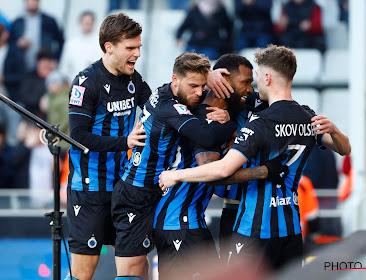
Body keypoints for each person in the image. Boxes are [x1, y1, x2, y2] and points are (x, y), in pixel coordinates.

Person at [159, 44, 351, 270]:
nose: (251, 87)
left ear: (267, 78)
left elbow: (220, 171)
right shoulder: (214, 110)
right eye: (246, 82)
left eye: (255, 79)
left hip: (250, 221)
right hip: (274, 220)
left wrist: (176, 175)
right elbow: (344, 149)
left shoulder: (261, 118)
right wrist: (207, 77)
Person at [111, 52, 238, 279]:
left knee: (143, 269)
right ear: (175, 80)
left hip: (154, 192)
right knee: (131, 271)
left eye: (202, 86)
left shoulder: (166, 90)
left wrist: (208, 76)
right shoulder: (169, 107)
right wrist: (232, 123)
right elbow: (205, 136)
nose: (199, 92)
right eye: (193, 86)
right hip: (135, 194)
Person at [153, 53, 270, 278]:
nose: (249, 89)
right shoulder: (206, 120)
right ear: (225, 83)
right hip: (178, 221)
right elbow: (214, 175)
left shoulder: (221, 115)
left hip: (191, 220)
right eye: (245, 82)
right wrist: (263, 172)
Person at [65, 13, 151, 280]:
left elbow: (159, 104)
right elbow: (78, 136)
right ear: (109, 46)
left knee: (137, 267)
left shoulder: (133, 79)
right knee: (82, 274)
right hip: (89, 190)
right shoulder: (86, 82)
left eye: (139, 47)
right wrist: (124, 142)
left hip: (123, 188)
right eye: (130, 48)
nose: (137, 53)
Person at [4, 0, 64, 102]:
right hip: (23, 71)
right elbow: (9, 45)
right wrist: (18, 44)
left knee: (42, 100)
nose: (32, 2)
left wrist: (56, 60)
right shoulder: (17, 22)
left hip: (43, 71)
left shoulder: (49, 21)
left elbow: (61, 41)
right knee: (24, 99)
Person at [59, 11, 103, 83]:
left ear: (94, 23)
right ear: (80, 23)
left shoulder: (101, 42)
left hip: (96, 84)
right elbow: (64, 68)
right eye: (85, 22)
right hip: (75, 83)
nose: (87, 24)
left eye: (90, 22)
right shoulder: (71, 43)